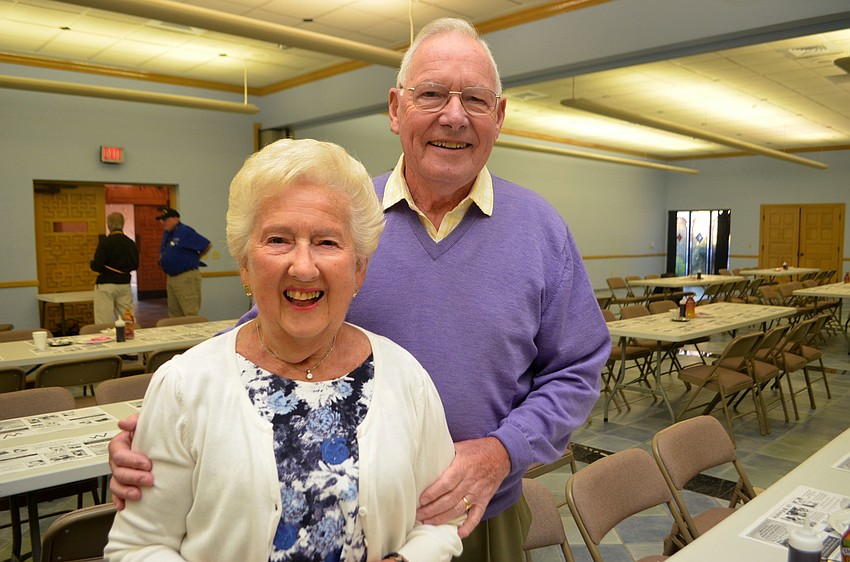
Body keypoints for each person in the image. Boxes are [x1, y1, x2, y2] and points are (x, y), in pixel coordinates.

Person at [109, 18, 610, 562]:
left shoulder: (541, 230)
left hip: (480, 515)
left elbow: (577, 368)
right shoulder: (342, 216)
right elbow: (263, 333)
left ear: (500, 116)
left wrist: (502, 452)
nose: (454, 115)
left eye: (475, 100)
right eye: (433, 94)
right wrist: (158, 437)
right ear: (396, 109)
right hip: (355, 519)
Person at [105, 138, 463, 561]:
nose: (304, 266)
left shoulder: (407, 378)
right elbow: (138, 547)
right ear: (245, 265)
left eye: (328, 242)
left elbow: (441, 521)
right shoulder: (185, 386)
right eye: (278, 240)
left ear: (359, 269)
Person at [157, 207, 211, 318]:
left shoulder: (185, 231)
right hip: (171, 278)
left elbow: (207, 245)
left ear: (176, 219)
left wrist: (195, 258)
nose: (162, 222)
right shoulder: (168, 233)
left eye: (165, 219)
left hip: (185, 277)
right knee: (174, 314)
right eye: (161, 220)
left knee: (190, 313)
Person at [90, 212, 139, 324]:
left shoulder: (105, 242)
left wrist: (91, 264)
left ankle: (104, 339)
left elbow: (97, 265)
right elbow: (135, 265)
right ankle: (130, 336)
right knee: (127, 316)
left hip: (106, 284)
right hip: (124, 283)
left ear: (109, 225)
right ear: (123, 224)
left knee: (103, 318)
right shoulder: (130, 243)